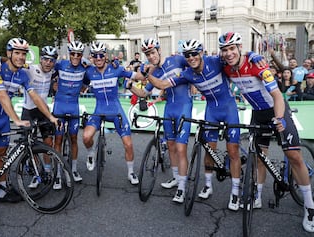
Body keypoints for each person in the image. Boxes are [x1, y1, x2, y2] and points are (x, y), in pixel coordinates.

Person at [219, 31, 314, 232]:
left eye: (232, 48)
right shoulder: (226, 68)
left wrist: (279, 118)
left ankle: (310, 206)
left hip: (277, 109)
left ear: (239, 48)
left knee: (293, 155)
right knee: (259, 157)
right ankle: (258, 196)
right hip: (258, 113)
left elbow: (278, 96)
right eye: (224, 50)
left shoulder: (257, 65)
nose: (228, 53)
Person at [139, 39, 242, 210]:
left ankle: (236, 192)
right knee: (210, 149)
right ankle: (208, 185)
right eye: (188, 55)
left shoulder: (215, 61)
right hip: (211, 110)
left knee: (233, 151)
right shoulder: (187, 73)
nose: (192, 57)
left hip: (229, 107)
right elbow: (163, 84)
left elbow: (235, 58)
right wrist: (144, 75)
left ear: (201, 52)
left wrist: (252, 55)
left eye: (195, 53)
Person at [0, 38, 58, 230]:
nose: (21, 57)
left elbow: (34, 96)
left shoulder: (22, 75)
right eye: (17, 53)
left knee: (1, 157)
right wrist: (17, 120)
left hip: (2, 120)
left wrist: (50, 116)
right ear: (9, 53)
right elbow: (3, 96)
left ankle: (3, 193)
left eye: (23, 53)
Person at [127, 38, 193, 203]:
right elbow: (145, 94)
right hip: (169, 108)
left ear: (159, 50)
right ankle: (176, 178)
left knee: (180, 148)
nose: (150, 56)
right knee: (170, 146)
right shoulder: (154, 72)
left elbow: (195, 63)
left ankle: (182, 187)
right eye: (147, 54)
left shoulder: (177, 59)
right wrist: (130, 87)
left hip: (184, 106)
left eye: (152, 52)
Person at [82, 41, 141, 185]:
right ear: (92, 57)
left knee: (128, 144)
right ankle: (91, 154)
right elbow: (80, 84)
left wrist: (145, 71)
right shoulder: (89, 72)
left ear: (106, 55)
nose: (98, 58)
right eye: (95, 56)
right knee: (86, 137)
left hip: (116, 110)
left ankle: (131, 172)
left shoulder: (116, 69)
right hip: (99, 110)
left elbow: (137, 76)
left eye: (101, 55)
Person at [52, 41, 90, 189]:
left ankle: (73, 170)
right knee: (58, 139)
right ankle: (57, 174)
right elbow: (46, 72)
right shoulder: (60, 65)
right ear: (69, 53)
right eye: (72, 53)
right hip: (59, 106)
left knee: (74, 138)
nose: (75, 56)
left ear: (81, 55)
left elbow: (87, 82)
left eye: (78, 54)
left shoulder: (84, 68)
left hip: (74, 106)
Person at [20, 46, 58, 188]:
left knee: (48, 143)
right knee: (31, 145)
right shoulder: (29, 68)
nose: (48, 62)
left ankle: (47, 171)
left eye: (51, 60)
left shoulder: (53, 71)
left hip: (43, 111)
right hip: (28, 111)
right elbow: (13, 62)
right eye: (45, 59)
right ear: (40, 59)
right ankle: (37, 173)